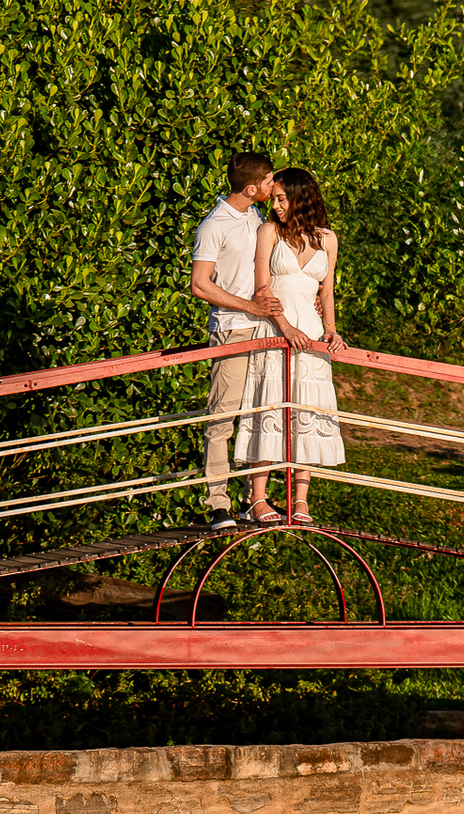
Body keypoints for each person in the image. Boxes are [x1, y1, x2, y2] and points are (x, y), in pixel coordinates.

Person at [234, 167, 345, 526]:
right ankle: (258, 497)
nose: (277, 205)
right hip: (276, 330)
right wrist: (285, 327)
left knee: (306, 411)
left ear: (301, 196)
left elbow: (326, 291)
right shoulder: (269, 232)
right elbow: (262, 288)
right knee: (270, 408)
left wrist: (331, 329)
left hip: (311, 337)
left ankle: (301, 499)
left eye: (282, 198)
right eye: (275, 199)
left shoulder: (328, 238)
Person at [190, 151, 282, 531]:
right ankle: (217, 504)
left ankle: (253, 499)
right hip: (232, 329)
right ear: (251, 187)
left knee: (262, 415)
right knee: (221, 418)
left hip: (264, 329)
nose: (273, 186)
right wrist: (251, 307)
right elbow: (200, 285)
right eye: (268, 181)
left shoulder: (256, 216)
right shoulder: (214, 225)